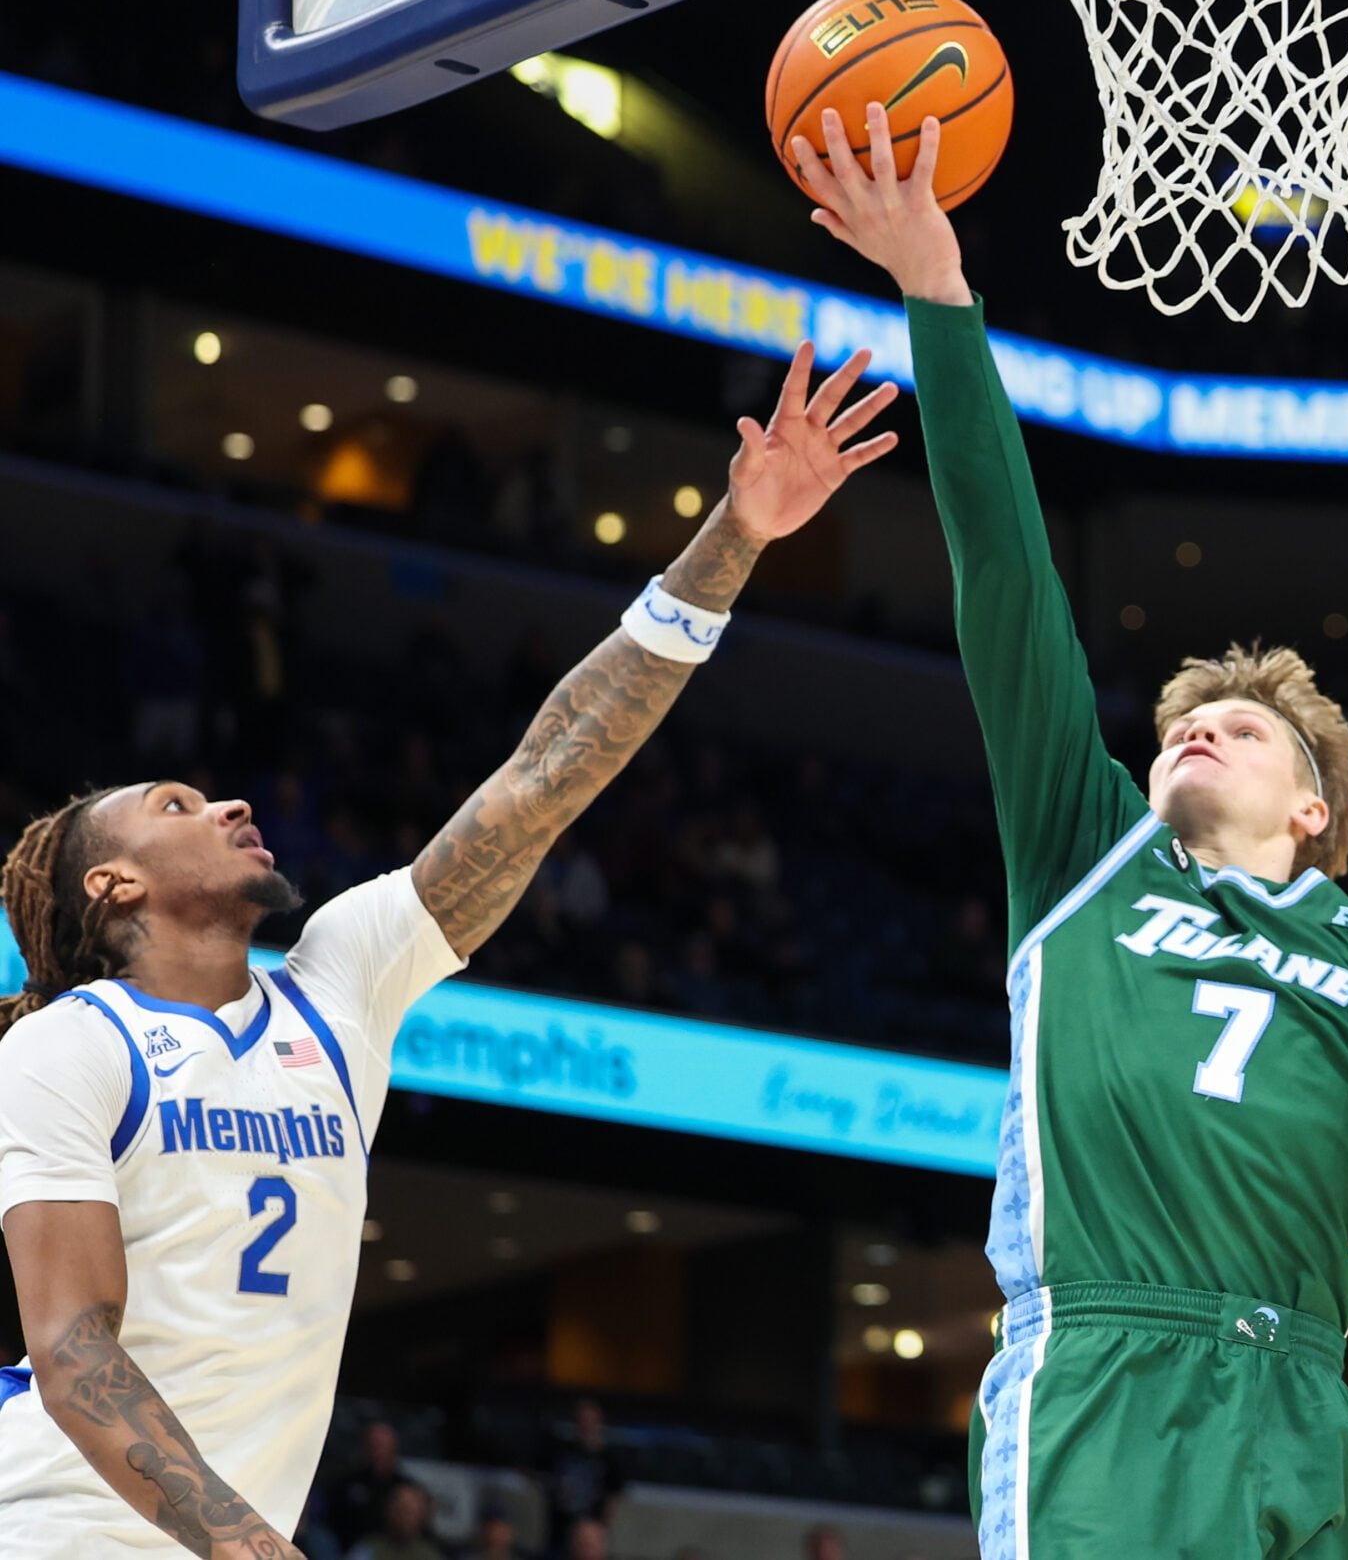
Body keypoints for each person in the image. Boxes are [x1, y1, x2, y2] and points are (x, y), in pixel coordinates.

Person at [796, 103, 1348, 1560]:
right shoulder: (1081, 851)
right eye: (1178, 723)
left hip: (1299, 1396)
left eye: (1242, 727)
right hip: (1105, 1373)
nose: (1193, 730)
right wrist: (940, 300)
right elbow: (1006, 573)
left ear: (1314, 808)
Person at [0, 344, 901, 1558]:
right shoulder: (67, 1043)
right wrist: (246, 1542)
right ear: (113, 886)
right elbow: (71, 1347)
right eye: (175, 803)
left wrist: (734, 537)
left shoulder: (336, 990)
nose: (223, 807)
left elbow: (543, 775)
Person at [543, 1399, 624, 1544]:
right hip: (559, 1531)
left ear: (599, 1423)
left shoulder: (609, 1460)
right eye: (581, 1420)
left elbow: (613, 1499)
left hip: (588, 1534)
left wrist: (600, 1532)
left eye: (590, 1420)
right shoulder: (562, 1451)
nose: (586, 1425)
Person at [329, 1421, 410, 1548]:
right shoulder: (346, 1484)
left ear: (394, 1449)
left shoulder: (405, 1488)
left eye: (384, 1446)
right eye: (374, 1445)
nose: (379, 1451)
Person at [345, 1481, 441, 1560]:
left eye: (411, 1512)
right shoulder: (367, 1549)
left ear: (422, 1517)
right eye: (400, 1509)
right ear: (389, 1511)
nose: (403, 1517)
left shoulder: (430, 1556)